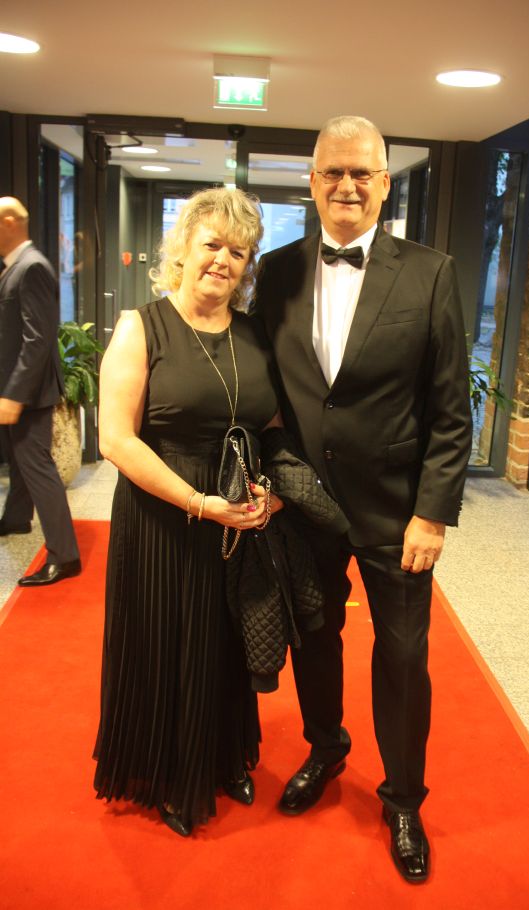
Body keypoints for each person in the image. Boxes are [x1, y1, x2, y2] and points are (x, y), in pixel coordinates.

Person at [254, 116, 472, 883]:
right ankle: (325, 748)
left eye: (361, 173)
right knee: (315, 638)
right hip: (304, 502)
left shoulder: (430, 273)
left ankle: (403, 798)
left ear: (384, 183)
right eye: (331, 172)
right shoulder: (275, 272)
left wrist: (431, 513)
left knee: (403, 656)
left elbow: (449, 409)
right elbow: (265, 386)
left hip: (395, 510)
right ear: (311, 182)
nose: (345, 186)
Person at [93, 188, 281, 837]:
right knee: (167, 644)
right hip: (163, 517)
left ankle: (224, 756)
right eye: (212, 245)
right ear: (182, 249)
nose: (223, 260)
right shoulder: (141, 326)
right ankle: (168, 773)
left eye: (238, 252)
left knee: (226, 642)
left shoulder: (254, 334)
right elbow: (115, 440)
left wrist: (269, 492)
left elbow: (272, 423)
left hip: (236, 516)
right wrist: (200, 503)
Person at [0, 196, 81, 586]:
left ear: (9, 222)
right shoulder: (15, 266)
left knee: (37, 467)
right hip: (17, 387)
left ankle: (65, 556)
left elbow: (39, 339)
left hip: (29, 392)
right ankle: (16, 518)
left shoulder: (31, 267)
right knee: (20, 461)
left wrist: (15, 394)